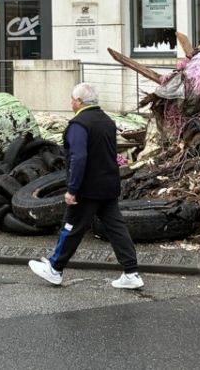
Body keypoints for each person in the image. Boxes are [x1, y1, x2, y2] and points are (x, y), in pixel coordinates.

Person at [28, 82, 143, 289]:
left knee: (71, 227)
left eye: (72, 99)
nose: (71, 103)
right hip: (109, 186)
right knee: (117, 228)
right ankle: (131, 272)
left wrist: (72, 189)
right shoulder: (107, 121)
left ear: (79, 102)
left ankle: (55, 269)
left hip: (87, 189)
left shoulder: (79, 125)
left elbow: (78, 157)